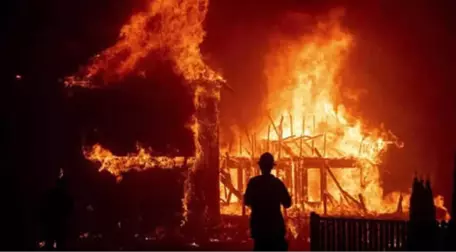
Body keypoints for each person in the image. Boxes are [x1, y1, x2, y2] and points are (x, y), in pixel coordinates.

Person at [244, 152, 292, 252]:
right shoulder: (277, 183)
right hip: (275, 228)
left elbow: (247, 201)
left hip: (259, 227)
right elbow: (287, 203)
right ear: (272, 167)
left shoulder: (254, 183)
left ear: (260, 166)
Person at [41, 176, 74, 251]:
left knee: (50, 244)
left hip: (52, 224)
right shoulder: (66, 196)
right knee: (59, 245)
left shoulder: (50, 194)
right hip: (58, 225)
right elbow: (70, 210)